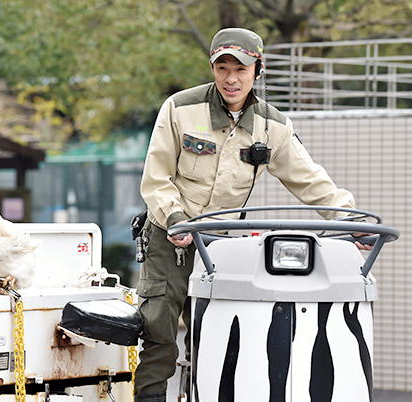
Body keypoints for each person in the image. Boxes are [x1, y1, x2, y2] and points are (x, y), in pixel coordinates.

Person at [134, 27, 371, 402]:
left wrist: (350, 220)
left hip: (224, 246)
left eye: (241, 69)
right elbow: (156, 177)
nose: (231, 78)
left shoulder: (272, 125)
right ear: (212, 68)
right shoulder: (180, 109)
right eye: (222, 67)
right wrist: (176, 216)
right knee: (159, 334)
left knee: (215, 336)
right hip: (171, 236)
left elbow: (309, 179)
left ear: (257, 70)